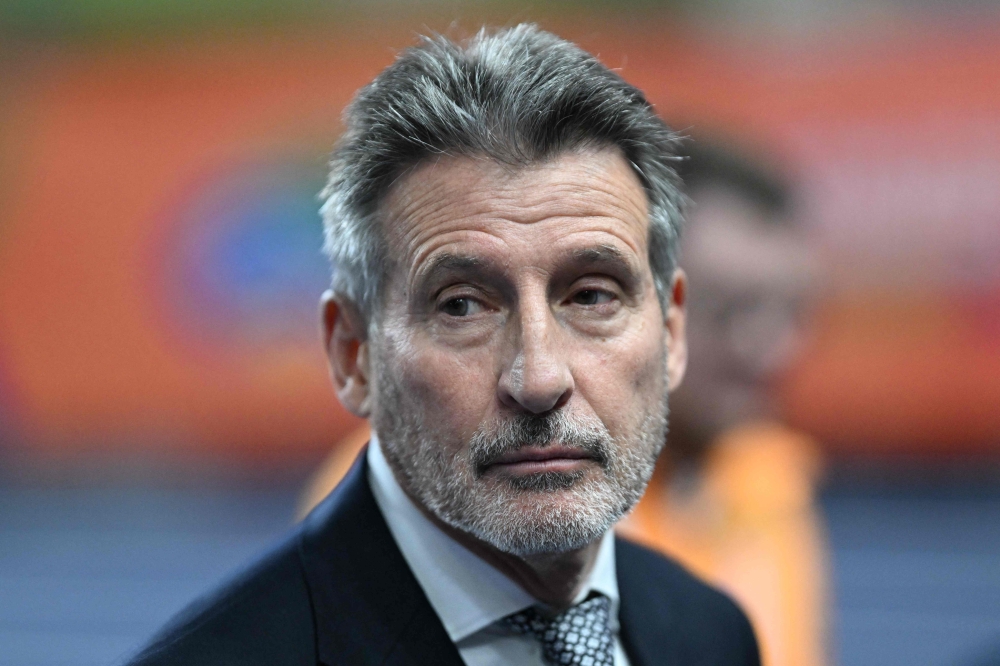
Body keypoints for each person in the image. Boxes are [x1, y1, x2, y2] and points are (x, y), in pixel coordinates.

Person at [126, 26, 760, 666]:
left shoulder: (712, 634)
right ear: (353, 354)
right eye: (462, 306)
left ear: (672, 332)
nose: (539, 378)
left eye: (591, 297)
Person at [617, 142, 827, 666]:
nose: (778, 350)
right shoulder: (513, 506)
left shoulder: (770, 482)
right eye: (731, 309)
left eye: (794, 311)